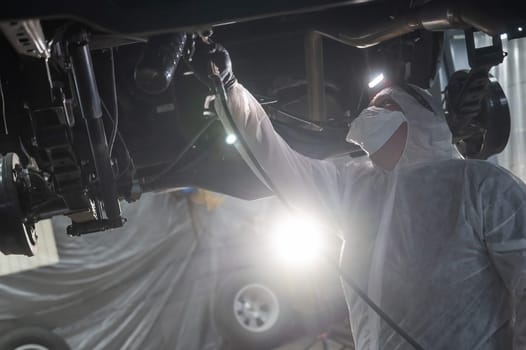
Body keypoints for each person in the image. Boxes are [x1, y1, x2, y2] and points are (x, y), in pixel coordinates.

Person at [195, 42, 526, 349]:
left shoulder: (480, 184)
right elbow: (274, 157)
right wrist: (228, 87)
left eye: (382, 105)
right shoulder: (354, 191)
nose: (368, 115)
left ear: (419, 118)